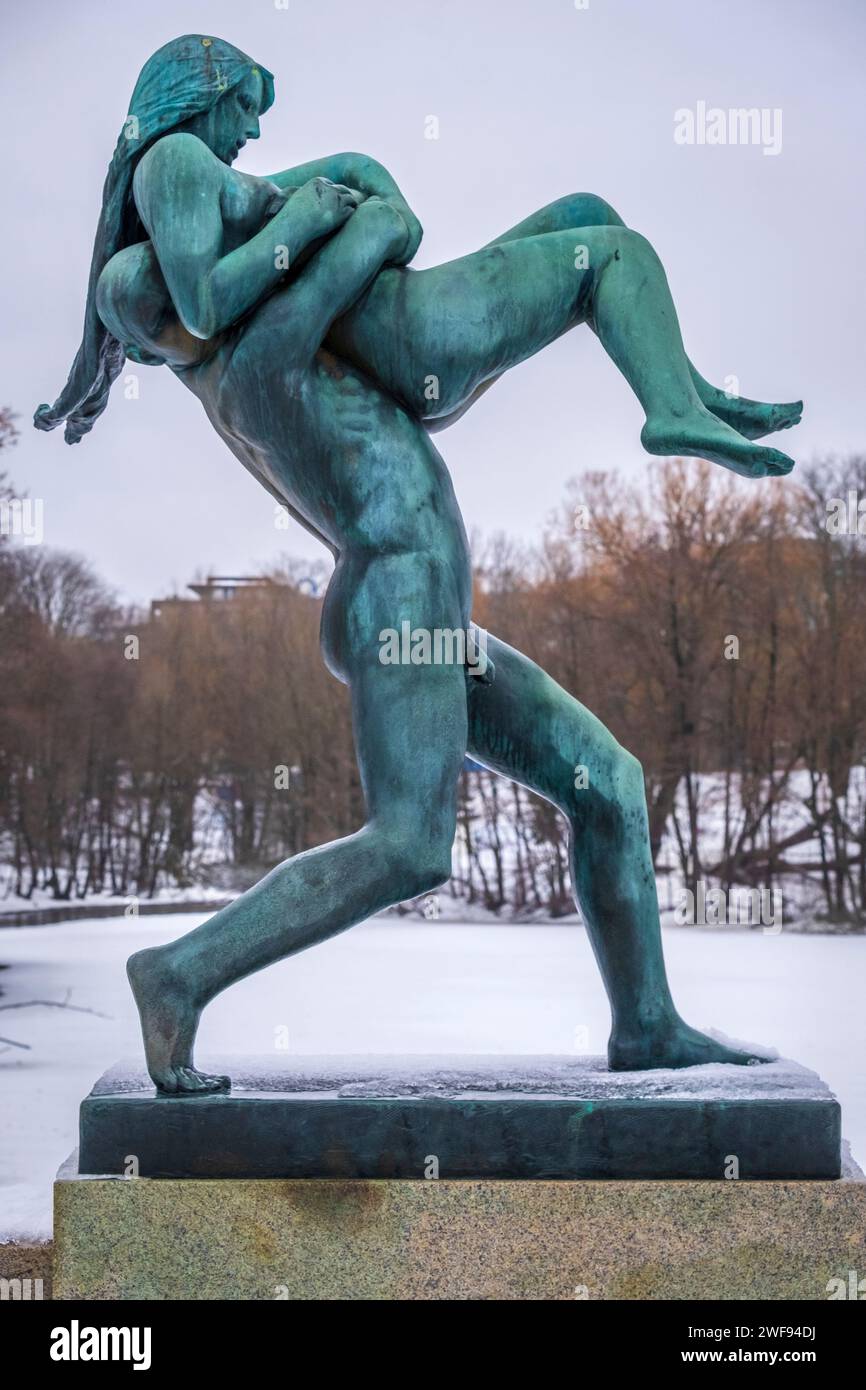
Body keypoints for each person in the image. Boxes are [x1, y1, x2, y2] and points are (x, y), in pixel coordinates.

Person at [36, 35, 791, 1092]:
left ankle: (647, 1026)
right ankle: (178, 972)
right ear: (167, 317)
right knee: (409, 846)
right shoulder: (252, 365)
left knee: (607, 784)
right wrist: (331, 208)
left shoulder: (271, 352)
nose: (237, 182)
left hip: (414, 595)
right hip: (398, 593)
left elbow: (403, 337)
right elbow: (377, 228)